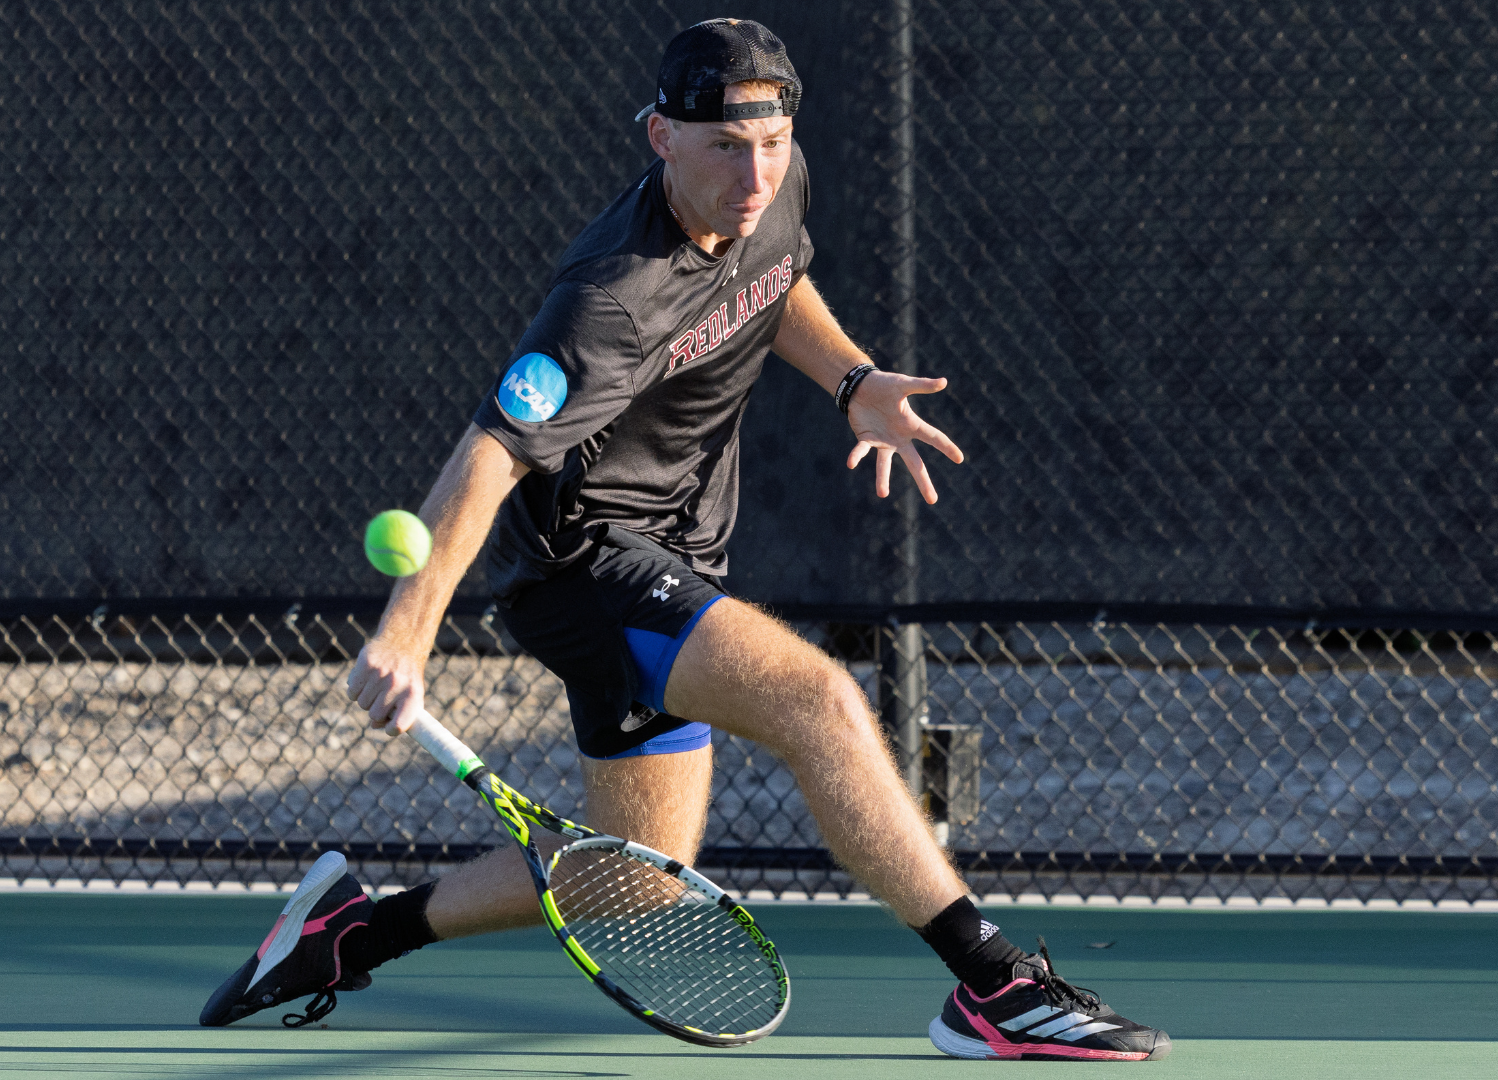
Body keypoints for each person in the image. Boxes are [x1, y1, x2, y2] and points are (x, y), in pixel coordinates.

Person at [200, 19, 1169, 1062]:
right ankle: (993, 986)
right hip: (585, 567)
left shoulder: (771, 186)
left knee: (639, 876)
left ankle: (348, 933)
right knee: (821, 701)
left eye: (773, 144)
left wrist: (849, 379)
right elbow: (489, 453)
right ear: (662, 137)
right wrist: (406, 633)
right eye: (724, 148)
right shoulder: (606, 300)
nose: (754, 176)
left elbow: (773, 281)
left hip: (678, 550)